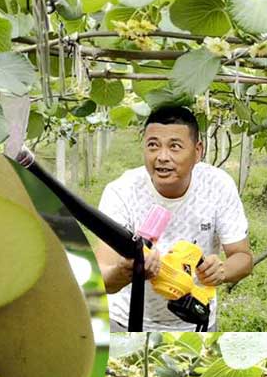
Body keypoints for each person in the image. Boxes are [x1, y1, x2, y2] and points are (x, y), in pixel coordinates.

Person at [95, 106, 253, 331]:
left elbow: (243, 258)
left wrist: (222, 271)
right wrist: (125, 271)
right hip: (126, 322)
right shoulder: (122, 191)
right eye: (153, 145)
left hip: (196, 322)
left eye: (174, 146)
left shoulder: (218, 186)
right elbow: (102, 276)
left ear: (197, 151)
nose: (162, 157)